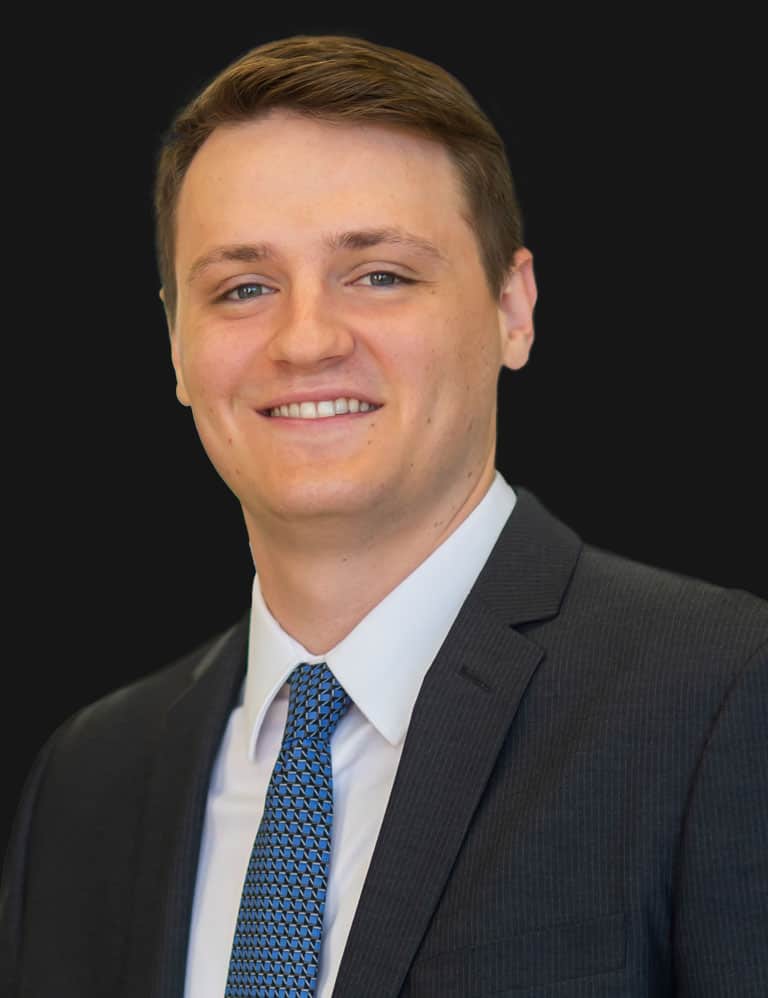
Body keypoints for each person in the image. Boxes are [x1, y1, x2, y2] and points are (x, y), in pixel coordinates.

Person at [1, 31, 766, 998]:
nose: (306, 340)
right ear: (176, 343)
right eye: (244, 288)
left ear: (513, 307)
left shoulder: (724, 696)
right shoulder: (87, 782)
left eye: (380, 275)